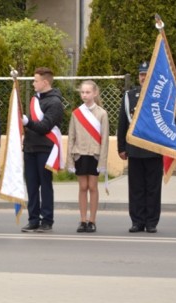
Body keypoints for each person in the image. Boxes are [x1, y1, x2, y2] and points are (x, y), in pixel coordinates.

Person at [117, 62, 163, 233]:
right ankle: (137, 221)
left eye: (147, 74)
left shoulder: (159, 96)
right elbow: (122, 122)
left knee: (153, 188)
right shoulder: (130, 96)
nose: (144, 78)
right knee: (136, 188)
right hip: (134, 148)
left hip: (154, 148)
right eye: (141, 75)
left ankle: (151, 222)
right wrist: (121, 147)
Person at [21, 67, 64, 233]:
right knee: (31, 185)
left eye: (36, 81)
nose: (33, 83)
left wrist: (27, 123)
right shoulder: (34, 100)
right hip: (30, 148)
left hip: (45, 148)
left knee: (45, 185)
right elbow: (31, 124)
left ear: (45, 82)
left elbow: (45, 126)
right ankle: (33, 219)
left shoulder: (55, 103)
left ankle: (47, 220)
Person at [66, 80, 109, 233]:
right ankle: (83, 220)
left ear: (95, 93)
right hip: (80, 154)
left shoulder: (102, 113)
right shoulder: (76, 113)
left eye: (88, 92)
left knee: (92, 186)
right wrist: (69, 160)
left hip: (95, 154)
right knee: (82, 187)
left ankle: (92, 220)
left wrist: (103, 161)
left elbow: (105, 139)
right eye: (82, 92)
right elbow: (71, 136)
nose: (85, 95)